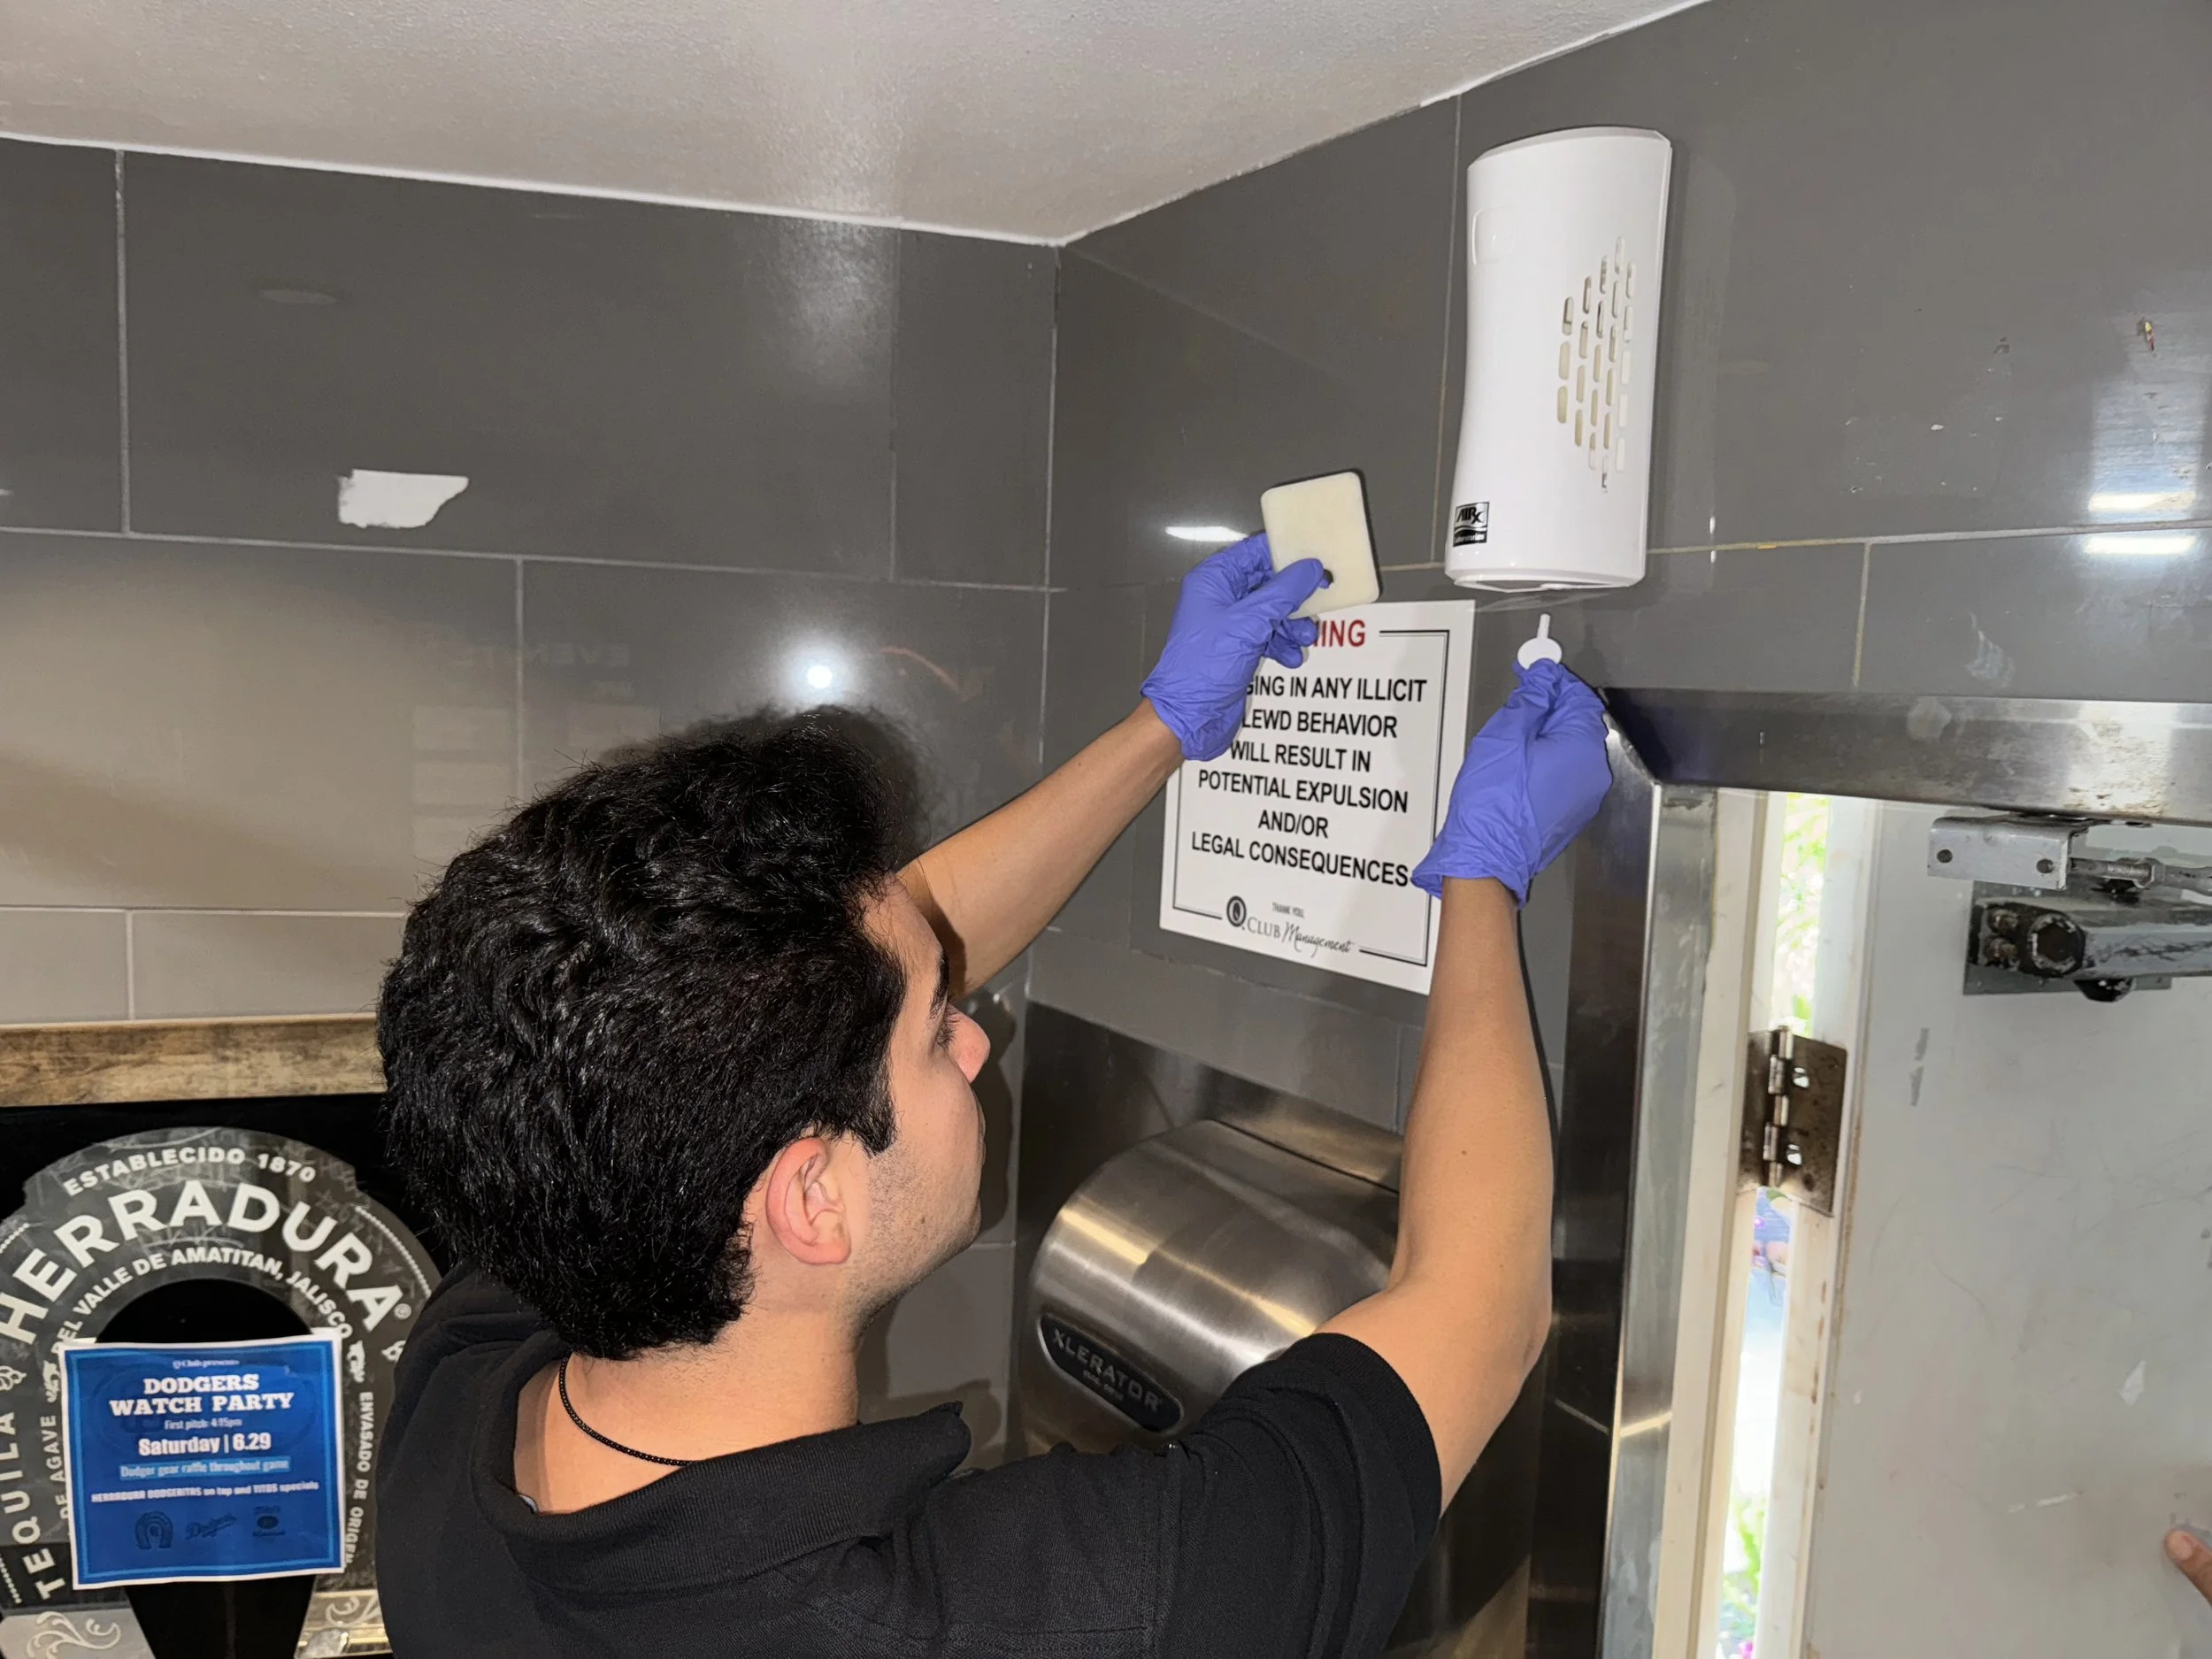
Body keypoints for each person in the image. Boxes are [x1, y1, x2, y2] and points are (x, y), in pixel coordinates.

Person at [373, 536, 1613, 1657]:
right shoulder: (1055, 1613)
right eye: (935, 1037)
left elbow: (838, 975)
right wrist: (1481, 879)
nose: (976, 1040)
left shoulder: (470, 1385)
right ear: (810, 1194)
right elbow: (1481, 1301)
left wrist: (1165, 729)